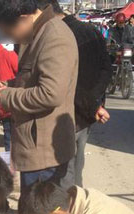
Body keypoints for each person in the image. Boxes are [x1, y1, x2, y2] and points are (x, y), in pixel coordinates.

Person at [0, 0, 78, 214]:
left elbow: (50, 93)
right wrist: (10, 85)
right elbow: (33, 82)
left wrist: (8, 95)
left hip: (45, 147)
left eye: (9, 30)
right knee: (33, 213)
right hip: (33, 144)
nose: (10, 38)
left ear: (25, 17)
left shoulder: (55, 36)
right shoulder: (36, 35)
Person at [36, 0, 111, 189]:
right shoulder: (91, 31)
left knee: (64, 170)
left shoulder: (56, 36)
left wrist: (90, 103)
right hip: (88, 111)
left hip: (68, 111)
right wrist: (94, 102)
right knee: (76, 164)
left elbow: (65, 82)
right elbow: (106, 69)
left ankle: (69, 209)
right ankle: (76, 205)